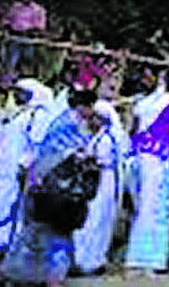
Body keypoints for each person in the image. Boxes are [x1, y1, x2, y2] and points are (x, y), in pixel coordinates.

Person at [0, 89, 98, 287]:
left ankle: (26, 274)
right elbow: (61, 153)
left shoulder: (68, 122)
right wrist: (82, 157)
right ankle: (43, 276)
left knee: (39, 234)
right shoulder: (67, 125)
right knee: (47, 234)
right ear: (83, 106)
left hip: (52, 185)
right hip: (55, 187)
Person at [0, 79, 54, 257]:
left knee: (8, 204)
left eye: (22, 93)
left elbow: (36, 144)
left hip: (15, 170)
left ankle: (0, 244)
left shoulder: (38, 115)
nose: (17, 96)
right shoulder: (18, 114)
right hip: (2, 168)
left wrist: (23, 165)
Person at [124, 72, 169, 277]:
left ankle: (135, 258)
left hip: (138, 156)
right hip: (158, 159)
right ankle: (153, 260)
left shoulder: (146, 102)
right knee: (158, 210)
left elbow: (133, 129)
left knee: (141, 208)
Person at [72, 100, 122, 276]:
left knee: (97, 220)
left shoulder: (106, 139)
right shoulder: (95, 137)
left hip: (102, 182)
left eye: (94, 117)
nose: (90, 120)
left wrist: (84, 162)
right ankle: (84, 259)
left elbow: (102, 163)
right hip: (96, 181)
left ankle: (92, 261)